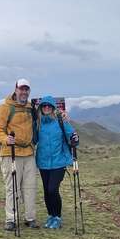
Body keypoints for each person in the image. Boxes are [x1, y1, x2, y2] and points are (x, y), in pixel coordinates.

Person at [0, 79, 40, 231]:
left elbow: (49, 110)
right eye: (22, 89)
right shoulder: (6, 108)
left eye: (27, 89)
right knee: (12, 187)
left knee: (30, 187)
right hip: (10, 152)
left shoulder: (31, 108)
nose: (24, 92)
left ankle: (29, 218)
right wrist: (5, 139)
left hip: (29, 152)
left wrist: (63, 114)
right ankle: (11, 219)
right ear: (16, 90)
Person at [35, 96, 79, 230]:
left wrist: (75, 139)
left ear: (53, 107)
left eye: (49, 106)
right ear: (41, 108)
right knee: (46, 192)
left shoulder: (61, 120)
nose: (46, 108)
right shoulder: (38, 123)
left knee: (52, 189)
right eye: (44, 106)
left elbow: (72, 137)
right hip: (43, 162)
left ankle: (57, 217)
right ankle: (51, 215)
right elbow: (32, 139)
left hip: (59, 162)